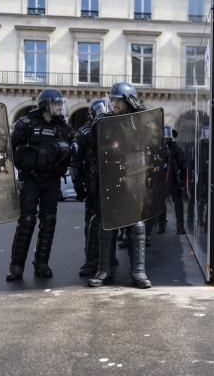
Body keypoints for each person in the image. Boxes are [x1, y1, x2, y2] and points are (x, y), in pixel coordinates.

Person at [86, 82, 151, 289]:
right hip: (111, 179)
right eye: (112, 99)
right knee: (108, 224)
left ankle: (138, 272)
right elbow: (93, 149)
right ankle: (105, 270)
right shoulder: (103, 122)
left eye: (117, 100)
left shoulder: (141, 122)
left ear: (128, 101)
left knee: (137, 225)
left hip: (134, 180)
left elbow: (152, 147)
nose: (113, 103)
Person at [6, 89, 74, 281]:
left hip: (52, 180)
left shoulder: (65, 129)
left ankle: (42, 263)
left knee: (49, 221)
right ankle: (16, 266)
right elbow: (8, 147)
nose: (60, 107)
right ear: (45, 104)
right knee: (26, 221)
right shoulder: (25, 124)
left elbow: (73, 154)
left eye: (61, 103)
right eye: (56, 103)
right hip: (31, 180)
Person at [70, 98, 106, 276]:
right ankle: (90, 259)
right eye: (98, 110)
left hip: (112, 183)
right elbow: (76, 160)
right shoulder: (84, 133)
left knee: (111, 223)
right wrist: (78, 184)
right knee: (91, 222)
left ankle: (108, 258)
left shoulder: (115, 129)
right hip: (93, 184)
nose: (102, 112)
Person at [158, 126, 187, 234]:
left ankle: (180, 227)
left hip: (173, 179)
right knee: (160, 203)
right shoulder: (159, 148)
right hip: (162, 179)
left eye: (168, 136)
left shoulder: (176, 149)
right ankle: (161, 226)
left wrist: (182, 180)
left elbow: (182, 166)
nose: (166, 138)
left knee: (178, 202)